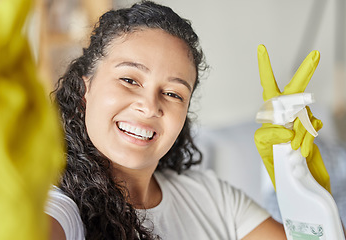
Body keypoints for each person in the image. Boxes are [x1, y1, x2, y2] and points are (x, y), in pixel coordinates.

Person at [45, 1, 311, 239]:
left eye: (173, 93)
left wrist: (303, 191)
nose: (150, 107)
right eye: (129, 80)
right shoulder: (58, 206)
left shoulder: (212, 198)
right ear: (84, 90)